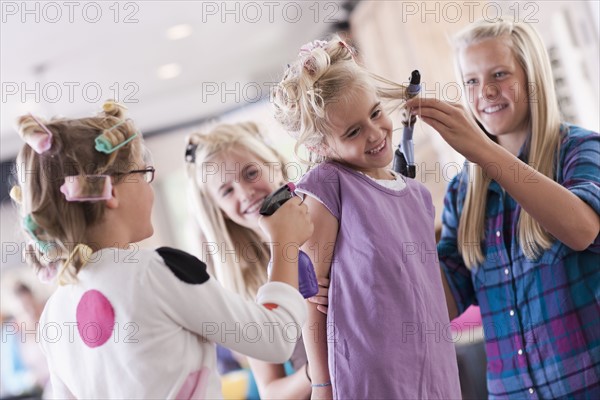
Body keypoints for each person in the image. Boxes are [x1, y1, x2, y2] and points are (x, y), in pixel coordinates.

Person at [11, 101, 313, 399]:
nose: (149, 186)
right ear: (111, 191)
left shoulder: (53, 315)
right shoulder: (159, 270)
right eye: (143, 173)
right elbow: (274, 337)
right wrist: (283, 242)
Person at [406, 18, 600, 399]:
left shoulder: (580, 150)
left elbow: (583, 229)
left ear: (532, 78)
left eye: (499, 74)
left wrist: (482, 150)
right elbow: (443, 302)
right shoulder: (464, 189)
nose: (486, 91)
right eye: (472, 81)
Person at [271, 36, 462, 399]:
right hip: (369, 380)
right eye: (353, 131)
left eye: (375, 114)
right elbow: (313, 300)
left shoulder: (417, 195)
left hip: (433, 370)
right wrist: (322, 385)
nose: (375, 134)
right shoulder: (328, 185)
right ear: (321, 146)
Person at [185, 122, 328, 399]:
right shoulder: (248, 288)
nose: (245, 192)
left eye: (251, 173)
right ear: (220, 211)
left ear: (274, 164)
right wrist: (318, 369)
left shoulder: (326, 215)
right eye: (227, 191)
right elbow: (271, 391)